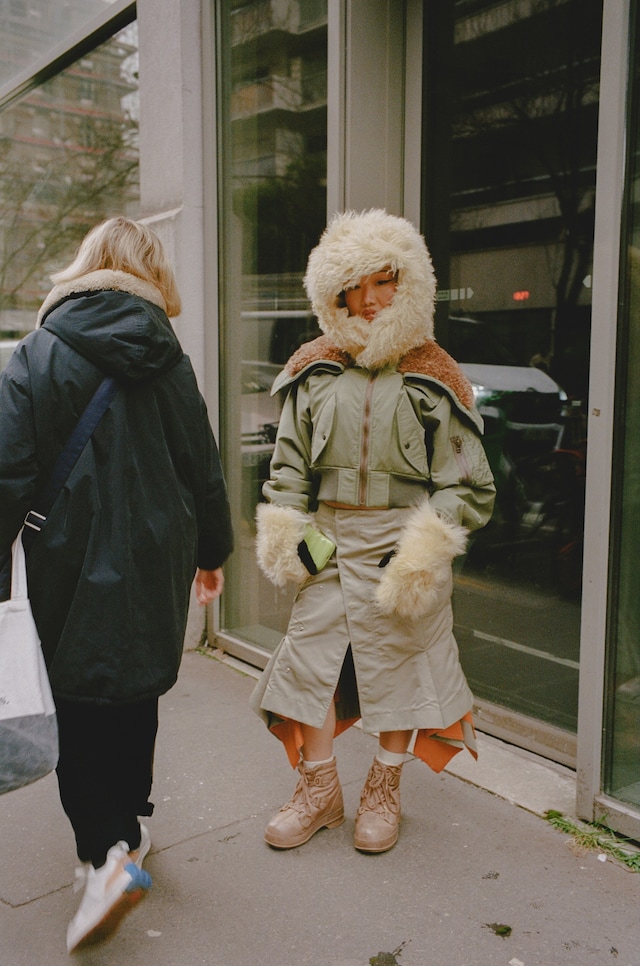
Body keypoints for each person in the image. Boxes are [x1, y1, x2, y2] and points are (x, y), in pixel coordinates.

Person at [0, 217, 233, 952]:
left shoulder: (37, 354)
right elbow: (202, 467)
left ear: (85, 264)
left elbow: (6, 472)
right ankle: (130, 823)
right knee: (136, 687)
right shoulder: (171, 359)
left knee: (76, 699)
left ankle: (104, 855)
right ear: (151, 274)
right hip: (158, 556)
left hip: (65, 559)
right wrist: (212, 552)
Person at [250, 208, 495, 854]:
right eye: (353, 286)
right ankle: (319, 791)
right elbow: (287, 471)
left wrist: (422, 551)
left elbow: (467, 484)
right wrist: (292, 539)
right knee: (310, 666)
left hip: (399, 546)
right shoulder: (312, 369)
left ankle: (384, 790)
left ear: (409, 282)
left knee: (403, 668)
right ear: (332, 295)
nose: (369, 299)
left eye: (383, 280)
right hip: (328, 540)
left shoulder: (435, 374)